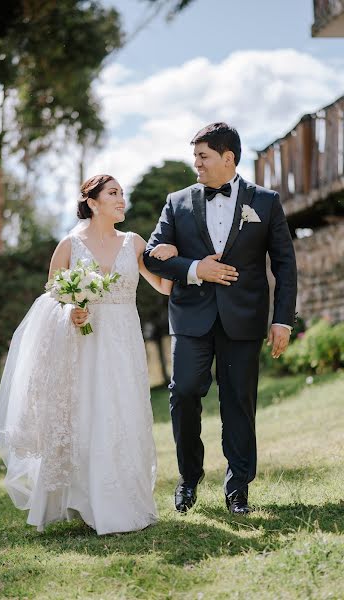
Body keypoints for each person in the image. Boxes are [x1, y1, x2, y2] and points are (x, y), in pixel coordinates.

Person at [0, 174, 176, 535]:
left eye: (122, 193)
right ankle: (85, 499)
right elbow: (52, 299)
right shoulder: (70, 245)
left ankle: (124, 501)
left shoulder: (134, 242)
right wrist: (71, 312)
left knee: (123, 413)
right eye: (113, 193)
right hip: (84, 343)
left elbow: (163, 287)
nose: (121, 199)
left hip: (124, 343)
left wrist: (169, 256)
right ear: (92, 202)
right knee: (88, 413)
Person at [144, 122, 297, 515]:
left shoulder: (265, 201)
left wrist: (282, 320)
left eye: (202, 156)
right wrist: (196, 268)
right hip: (191, 318)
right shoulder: (176, 202)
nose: (195, 163)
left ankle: (238, 489)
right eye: (194, 155)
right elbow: (150, 255)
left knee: (239, 403)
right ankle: (189, 478)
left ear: (228, 158)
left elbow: (285, 265)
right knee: (184, 392)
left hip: (244, 320)